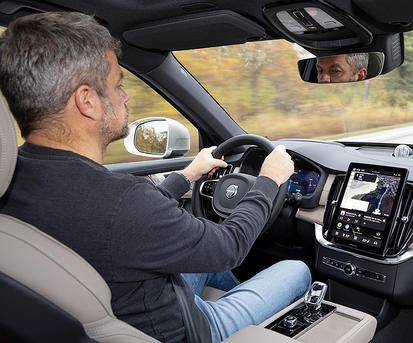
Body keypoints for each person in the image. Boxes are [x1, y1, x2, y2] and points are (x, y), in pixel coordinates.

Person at [0, 12, 311, 343]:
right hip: (184, 331)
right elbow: (229, 247)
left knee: (201, 251)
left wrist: (188, 174)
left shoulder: (16, 176)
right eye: (118, 85)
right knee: (298, 270)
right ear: (87, 102)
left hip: (120, 305)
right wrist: (269, 181)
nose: (126, 96)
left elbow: (117, 224)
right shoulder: (122, 202)